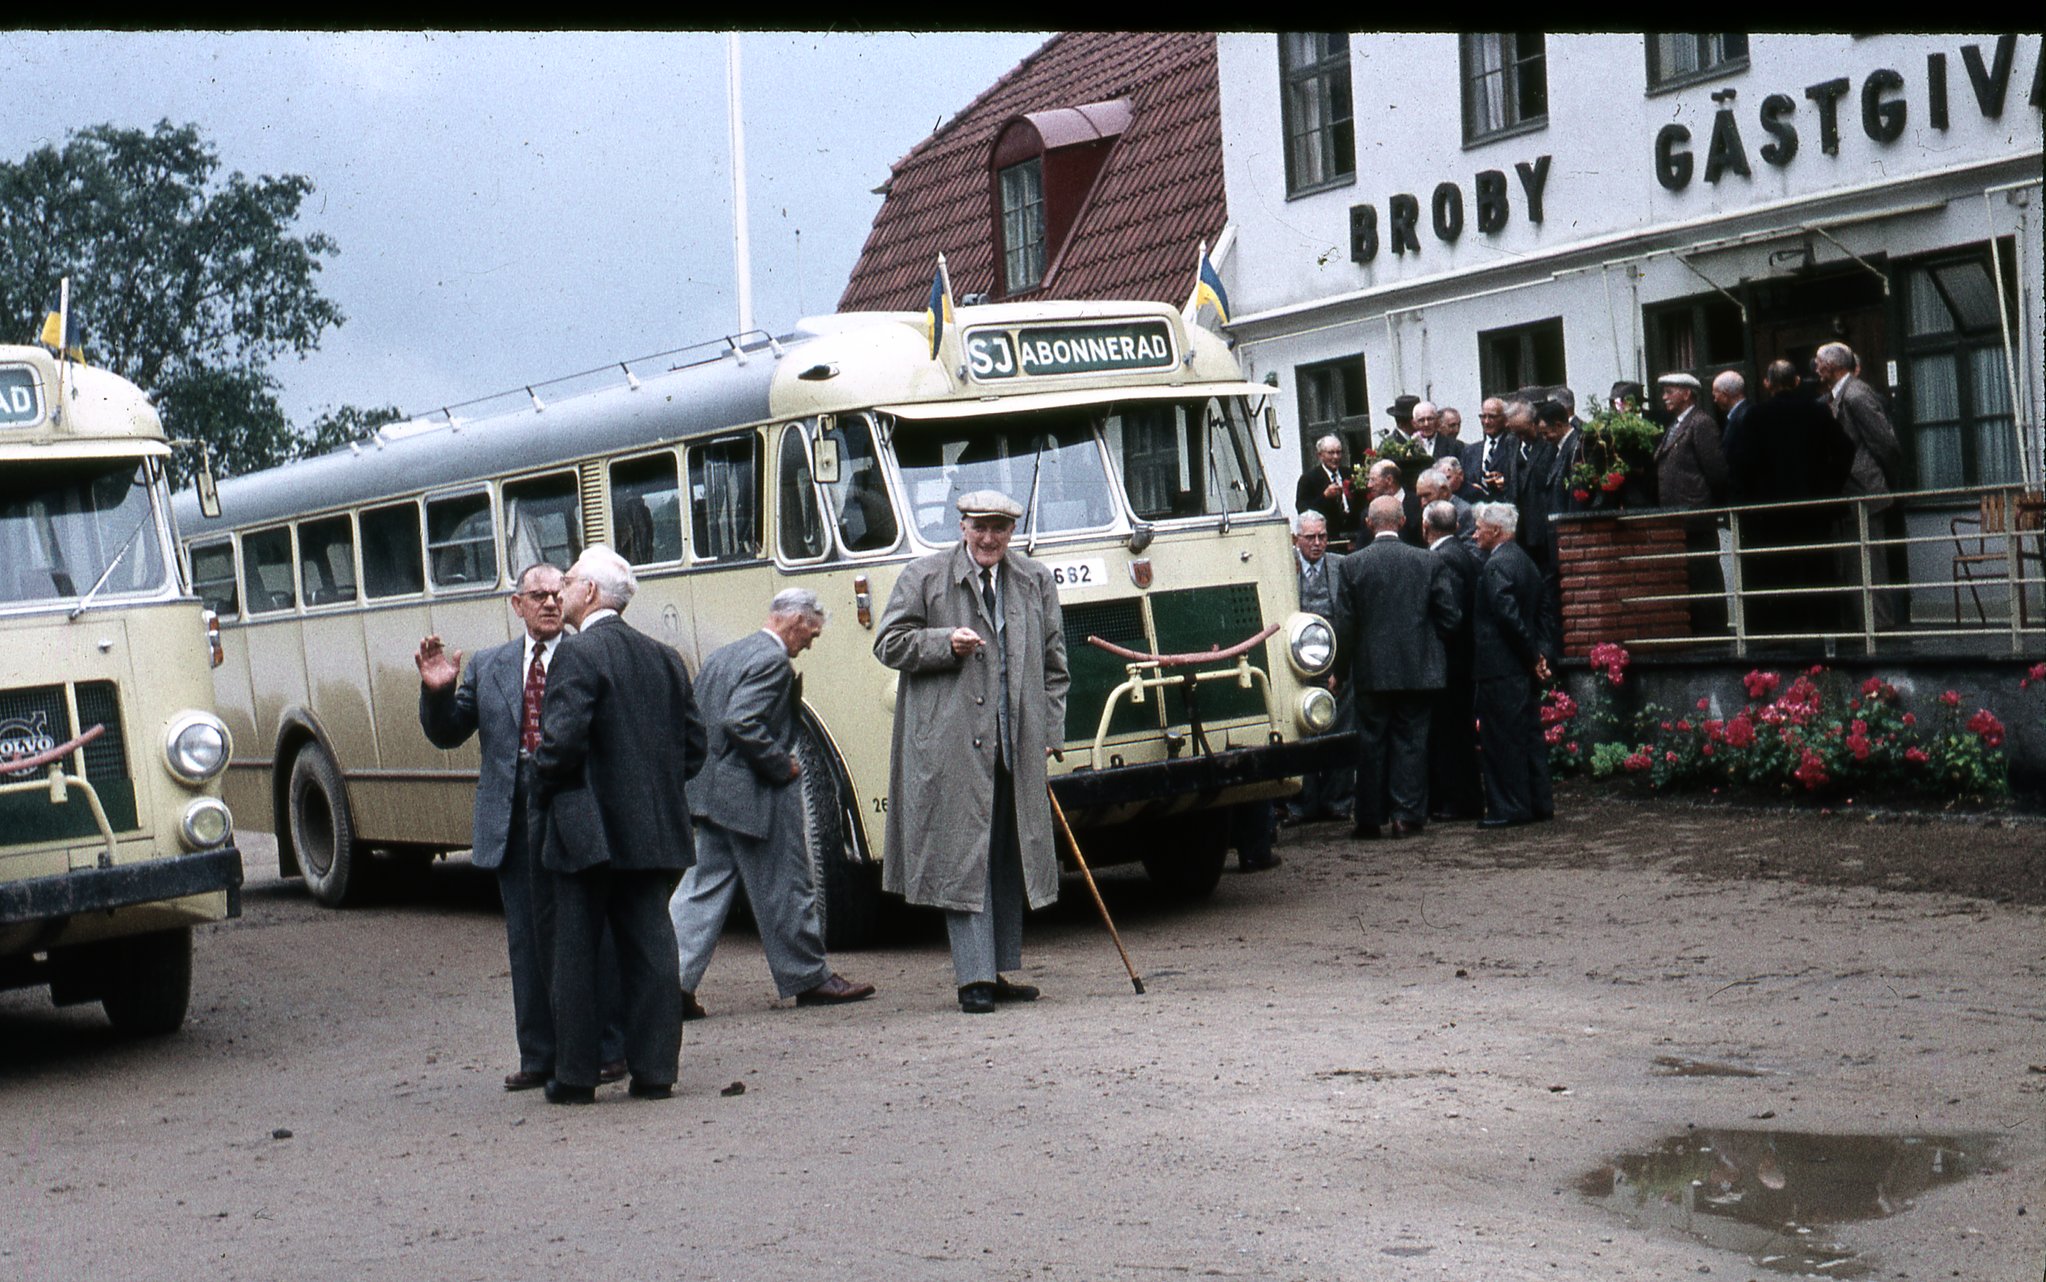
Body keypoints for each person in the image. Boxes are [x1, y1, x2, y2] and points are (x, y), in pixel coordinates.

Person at [415, 563, 626, 1093]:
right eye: (539, 595)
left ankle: (605, 1050)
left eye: (558, 594)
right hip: (511, 821)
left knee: (586, 934)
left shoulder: (587, 656)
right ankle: (539, 1055)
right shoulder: (490, 666)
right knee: (526, 939)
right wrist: (439, 692)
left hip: (574, 812)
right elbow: (448, 734)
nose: (551, 603)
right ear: (518, 605)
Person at [874, 491, 1069, 1015]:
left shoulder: (1034, 579)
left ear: (1011, 533)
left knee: (1010, 853)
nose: (989, 539)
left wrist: (1050, 730)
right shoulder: (926, 576)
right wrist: (943, 643)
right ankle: (973, 978)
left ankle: (998, 968)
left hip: (1016, 741)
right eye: (979, 528)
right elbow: (888, 642)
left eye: (999, 530)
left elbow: (1055, 665)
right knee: (965, 856)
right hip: (953, 744)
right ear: (961, 527)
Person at [531, 545, 707, 1104]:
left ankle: (576, 1076)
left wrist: (540, 784)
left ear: (590, 593)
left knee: (577, 953)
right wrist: (652, 786)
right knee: (653, 949)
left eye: (571, 580)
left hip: (588, 832)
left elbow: (560, 745)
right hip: (655, 829)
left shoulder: (578, 657)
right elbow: (695, 747)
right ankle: (656, 1072)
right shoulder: (665, 657)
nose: (561, 590)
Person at [669, 588, 875, 1017]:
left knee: (700, 891)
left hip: (714, 794)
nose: (809, 644)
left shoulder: (728, 653)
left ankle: (667, 985)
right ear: (796, 621)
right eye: (811, 635)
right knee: (787, 887)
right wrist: (780, 763)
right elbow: (742, 721)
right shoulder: (772, 662)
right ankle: (810, 977)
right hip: (751, 796)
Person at [1331, 495, 1461, 840]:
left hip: (1372, 669)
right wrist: (1429, 644)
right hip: (1418, 668)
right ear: (1403, 521)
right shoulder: (1427, 562)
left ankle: (1370, 817)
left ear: (1369, 523)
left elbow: (1345, 624)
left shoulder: (1352, 565)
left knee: (1371, 743)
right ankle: (1406, 816)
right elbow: (1450, 616)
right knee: (1411, 742)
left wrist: (1340, 671)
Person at [1815, 341, 1908, 631]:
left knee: (1869, 567)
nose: (1816, 368)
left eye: (1819, 362)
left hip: (1863, 490)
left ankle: (1879, 630)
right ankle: (1864, 630)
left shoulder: (1855, 394)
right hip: (1852, 491)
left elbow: (1885, 442)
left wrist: (1884, 481)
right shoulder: (1838, 395)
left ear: (1832, 365)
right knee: (1854, 567)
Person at [1470, 504, 1552, 828]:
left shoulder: (1496, 566)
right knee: (1528, 736)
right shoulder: (1525, 561)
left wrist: (1533, 655)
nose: (1475, 533)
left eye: (1479, 527)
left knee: (1501, 740)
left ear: (1495, 531)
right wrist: (1541, 655)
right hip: (1519, 666)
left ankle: (1510, 808)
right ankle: (1538, 802)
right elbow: (1542, 612)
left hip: (1500, 667)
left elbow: (1508, 617)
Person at [1284, 510, 1352, 828]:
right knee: (1302, 730)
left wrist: (1340, 668)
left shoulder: (1341, 566)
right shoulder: (1285, 567)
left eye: (1322, 536)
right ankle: (1301, 803)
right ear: (1297, 538)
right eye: (1310, 537)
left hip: (1334, 662)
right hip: (1296, 666)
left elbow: (1349, 617)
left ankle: (1338, 802)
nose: (1317, 543)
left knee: (1338, 728)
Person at [1654, 372, 1730, 635]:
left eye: (1670, 391)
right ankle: (1698, 629)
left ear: (1687, 393)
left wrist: (1706, 505)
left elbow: (1716, 470)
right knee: (1690, 575)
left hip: (1695, 516)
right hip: (1679, 518)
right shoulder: (1676, 424)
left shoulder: (1700, 422)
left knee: (1704, 573)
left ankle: (1713, 630)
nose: (1664, 397)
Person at [1422, 501, 1482, 822]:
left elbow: (1451, 615)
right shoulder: (1461, 553)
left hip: (1451, 661)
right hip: (1462, 658)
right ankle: (1462, 799)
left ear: (1426, 527)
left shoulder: (1442, 558)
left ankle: (1458, 802)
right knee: (1457, 731)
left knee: (1450, 732)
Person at [1294, 433, 1357, 532]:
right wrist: (1324, 497)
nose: (1336, 457)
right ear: (1320, 455)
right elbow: (1302, 510)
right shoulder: (1308, 479)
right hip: (1327, 534)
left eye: (1338, 452)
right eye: (1331, 453)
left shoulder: (1349, 474)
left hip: (1352, 533)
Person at [1464, 397, 1516, 500]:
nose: (1486, 422)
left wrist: (1504, 481)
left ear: (1505, 419)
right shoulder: (1470, 451)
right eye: (1483, 417)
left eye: (1492, 417)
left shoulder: (1513, 446)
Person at [1365, 458, 1424, 547]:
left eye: (1373, 480)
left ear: (1389, 479)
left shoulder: (1419, 505)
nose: (1369, 485)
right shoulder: (1368, 511)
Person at [1415, 466, 1476, 546]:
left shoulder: (1464, 512)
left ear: (1444, 491)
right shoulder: (1428, 512)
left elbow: (1471, 552)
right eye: (1420, 497)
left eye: (1427, 495)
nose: (1423, 503)